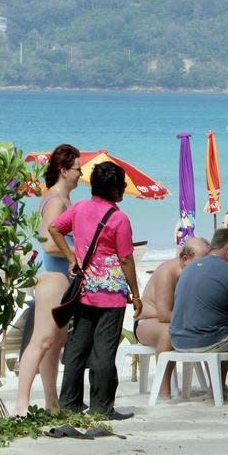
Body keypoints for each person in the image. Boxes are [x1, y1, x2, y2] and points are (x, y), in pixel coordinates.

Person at [50, 161, 142, 420]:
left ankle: (70, 404)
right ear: (113, 189)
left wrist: (70, 257)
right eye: (122, 186)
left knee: (78, 347)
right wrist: (136, 295)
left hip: (84, 290)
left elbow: (54, 228)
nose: (123, 189)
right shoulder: (119, 218)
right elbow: (125, 259)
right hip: (111, 295)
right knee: (104, 351)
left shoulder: (79, 208)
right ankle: (102, 407)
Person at [16, 144, 81, 415]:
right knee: (42, 341)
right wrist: (76, 254)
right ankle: (21, 404)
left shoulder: (61, 199)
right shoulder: (55, 200)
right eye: (77, 169)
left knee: (55, 342)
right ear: (64, 170)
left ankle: (52, 403)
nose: (80, 174)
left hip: (59, 279)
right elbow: (48, 241)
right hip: (52, 277)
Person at [169, 229, 228, 379]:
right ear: (227, 247)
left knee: (225, 328)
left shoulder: (188, 268)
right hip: (207, 342)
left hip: (177, 340)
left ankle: (222, 387)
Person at [134, 237, 210, 399]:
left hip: (178, 320)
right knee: (169, 332)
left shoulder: (198, 273)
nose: (206, 266)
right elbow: (163, 314)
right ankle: (164, 390)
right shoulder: (167, 271)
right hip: (147, 322)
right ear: (185, 259)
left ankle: (216, 386)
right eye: (202, 261)